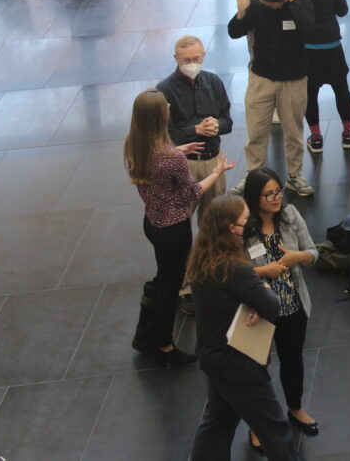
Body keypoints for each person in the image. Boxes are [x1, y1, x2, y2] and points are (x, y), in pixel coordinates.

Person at [124, 88, 236, 364]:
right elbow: (193, 192)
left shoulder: (134, 144)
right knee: (170, 286)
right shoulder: (171, 159)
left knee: (164, 276)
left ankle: (146, 336)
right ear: (159, 117)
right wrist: (216, 172)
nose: (170, 108)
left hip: (153, 222)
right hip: (174, 229)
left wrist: (178, 150)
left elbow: (161, 159)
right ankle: (162, 344)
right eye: (166, 106)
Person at [187, 195, 299, 461]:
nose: (248, 224)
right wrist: (262, 288)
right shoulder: (235, 267)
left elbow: (227, 299)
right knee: (274, 429)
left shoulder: (203, 258)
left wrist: (251, 301)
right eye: (244, 220)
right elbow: (272, 306)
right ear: (229, 227)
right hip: (239, 363)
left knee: (216, 423)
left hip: (213, 355)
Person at [241, 167, 320, 453]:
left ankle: (296, 409)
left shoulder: (290, 216)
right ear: (255, 197)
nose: (276, 198)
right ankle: (256, 424)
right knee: (257, 369)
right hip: (259, 309)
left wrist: (298, 256)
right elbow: (235, 271)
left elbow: (313, 252)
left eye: (278, 192)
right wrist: (265, 269)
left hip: (293, 305)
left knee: (292, 360)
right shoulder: (243, 225)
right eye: (268, 194)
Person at [227, 0, 316, 198]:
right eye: (263, 2)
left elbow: (311, 30)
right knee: (256, 130)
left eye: (270, 4)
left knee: (293, 132)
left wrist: (294, 3)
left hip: (294, 78)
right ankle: (253, 175)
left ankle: (294, 175)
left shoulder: (300, 4)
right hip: (262, 77)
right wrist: (240, 13)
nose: (265, 6)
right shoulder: (258, 4)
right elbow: (234, 31)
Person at [157, 35, 232, 224]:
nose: (192, 64)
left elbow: (227, 121)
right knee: (180, 218)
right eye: (186, 60)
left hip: (214, 160)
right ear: (176, 59)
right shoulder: (165, 89)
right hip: (184, 163)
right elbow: (167, 133)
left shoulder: (214, 82)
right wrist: (196, 129)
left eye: (196, 59)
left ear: (203, 56)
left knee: (215, 220)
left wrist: (217, 126)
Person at [291, 0, 350, 153]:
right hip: (332, 48)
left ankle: (316, 137)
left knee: (310, 94)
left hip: (305, 51)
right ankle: (348, 135)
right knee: (341, 89)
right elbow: (343, 11)